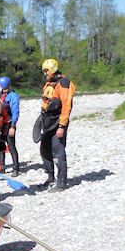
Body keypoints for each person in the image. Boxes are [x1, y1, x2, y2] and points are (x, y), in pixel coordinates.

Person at [40, 59, 75, 192]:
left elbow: (66, 106)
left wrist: (62, 126)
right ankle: (51, 178)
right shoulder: (50, 84)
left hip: (58, 122)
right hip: (48, 122)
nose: (45, 74)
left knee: (58, 151)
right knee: (45, 150)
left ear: (53, 69)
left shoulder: (64, 83)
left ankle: (62, 183)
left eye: (46, 71)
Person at [0, 76, 20, 177]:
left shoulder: (12, 96)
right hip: (0, 125)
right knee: (0, 147)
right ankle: (2, 166)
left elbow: (15, 111)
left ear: (4, 85)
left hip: (9, 124)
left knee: (11, 146)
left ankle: (16, 168)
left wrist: (13, 126)